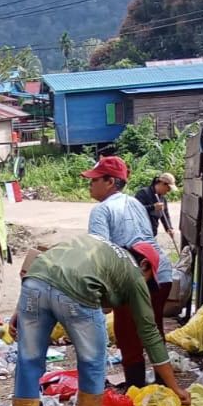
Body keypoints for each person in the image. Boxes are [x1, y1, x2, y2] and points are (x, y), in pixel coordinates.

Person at [2, 234, 191, 406]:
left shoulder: (98, 246)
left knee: (28, 362)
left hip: (34, 285)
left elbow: (45, 269)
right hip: (75, 293)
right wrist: (175, 387)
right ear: (144, 265)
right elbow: (150, 334)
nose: (143, 287)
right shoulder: (133, 272)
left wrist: (20, 311)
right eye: (147, 281)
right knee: (92, 365)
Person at [84, 156, 174, 389]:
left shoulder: (101, 211)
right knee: (153, 329)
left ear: (110, 182)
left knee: (128, 334)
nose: (90, 184)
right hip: (160, 272)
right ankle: (164, 386)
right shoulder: (134, 202)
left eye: (94, 180)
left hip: (134, 275)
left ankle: (136, 388)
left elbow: (100, 252)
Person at [134, 173, 177, 239]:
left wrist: (169, 228)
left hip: (152, 234)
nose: (169, 191)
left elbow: (165, 214)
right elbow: (134, 210)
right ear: (162, 183)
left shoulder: (162, 198)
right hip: (139, 234)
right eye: (168, 188)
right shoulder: (143, 193)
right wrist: (153, 207)